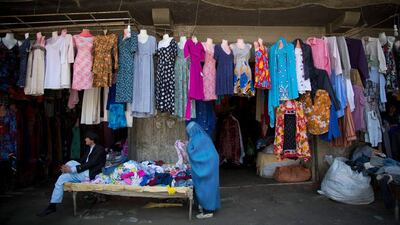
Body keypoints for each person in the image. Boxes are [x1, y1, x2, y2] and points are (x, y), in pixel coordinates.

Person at [37, 131, 106, 217]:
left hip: (90, 174)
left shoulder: (100, 149)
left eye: (86, 138)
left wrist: (72, 169)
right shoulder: (89, 148)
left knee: (62, 178)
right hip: (85, 170)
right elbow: (82, 161)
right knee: (71, 162)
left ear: (92, 139)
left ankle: (52, 206)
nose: (85, 139)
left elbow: (91, 163)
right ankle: (64, 173)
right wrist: (68, 167)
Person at [186, 121, 221, 219]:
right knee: (211, 186)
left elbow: (192, 153)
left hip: (206, 165)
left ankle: (207, 211)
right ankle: (208, 207)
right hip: (211, 163)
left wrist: (187, 146)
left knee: (204, 186)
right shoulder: (204, 136)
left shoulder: (195, 139)